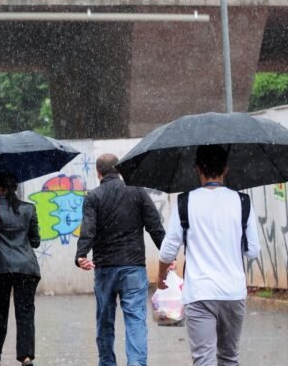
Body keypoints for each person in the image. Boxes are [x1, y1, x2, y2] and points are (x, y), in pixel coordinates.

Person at [157, 145, 260, 366]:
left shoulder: (184, 202)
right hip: (233, 293)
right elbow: (253, 250)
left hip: (200, 293)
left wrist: (160, 276)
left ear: (197, 169)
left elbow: (168, 250)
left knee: (203, 360)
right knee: (229, 358)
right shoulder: (243, 202)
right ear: (226, 169)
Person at [75, 153, 165, 366]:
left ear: (99, 173)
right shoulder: (137, 192)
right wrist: (167, 257)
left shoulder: (94, 197)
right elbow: (155, 227)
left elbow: (88, 229)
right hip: (133, 268)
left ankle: (107, 363)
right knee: (135, 321)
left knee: (105, 322)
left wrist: (81, 255)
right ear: (120, 170)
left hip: (105, 268)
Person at [0, 171, 41, 366]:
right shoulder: (29, 209)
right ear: (15, 188)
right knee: (25, 312)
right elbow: (36, 241)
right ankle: (26, 356)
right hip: (26, 267)